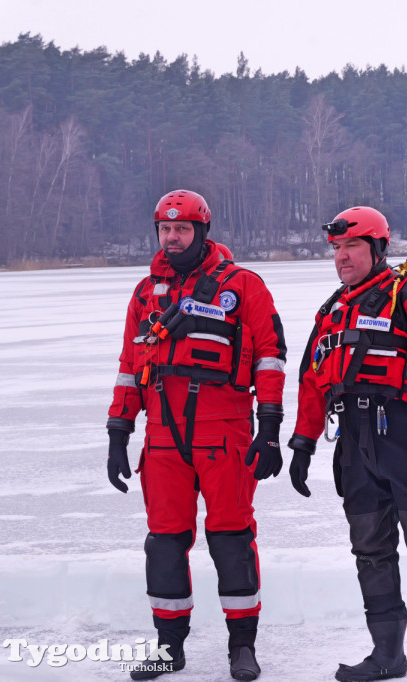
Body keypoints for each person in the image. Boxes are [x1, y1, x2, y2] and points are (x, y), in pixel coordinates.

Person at [287, 206, 407, 682]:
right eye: (336, 249)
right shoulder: (332, 309)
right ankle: (387, 655)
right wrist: (303, 443)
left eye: (352, 247)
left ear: (377, 249)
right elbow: (312, 380)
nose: (342, 257)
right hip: (354, 446)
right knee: (370, 552)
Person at [106, 189, 287, 680]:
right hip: (162, 436)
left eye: (181, 229)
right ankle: (169, 646)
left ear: (201, 231)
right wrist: (119, 429)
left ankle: (242, 647)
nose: (172, 237)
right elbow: (129, 365)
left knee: (231, 537)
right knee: (164, 542)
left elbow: (270, 357)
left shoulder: (243, 285)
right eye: (165, 229)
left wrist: (269, 428)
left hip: (225, 431)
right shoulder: (146, 293)